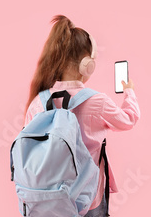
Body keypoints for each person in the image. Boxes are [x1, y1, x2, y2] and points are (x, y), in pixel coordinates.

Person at [24, 15, 139, 217]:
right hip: (88, 198)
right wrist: (129, 91)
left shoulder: (38, 102)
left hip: (46, 200)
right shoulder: (96, 101)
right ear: (88, 65)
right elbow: (129, 119)